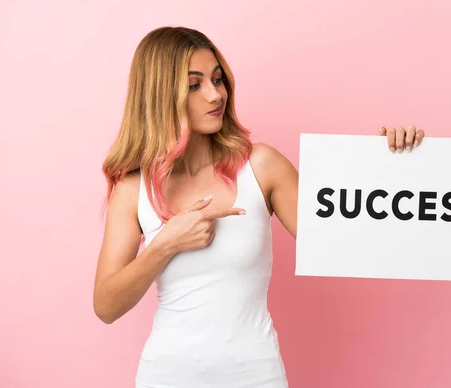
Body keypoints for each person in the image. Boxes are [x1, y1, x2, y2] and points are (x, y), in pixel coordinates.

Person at [93, 26, 425, 388]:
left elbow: (343, 241)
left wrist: (386, 168)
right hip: (165, 376)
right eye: (194, 85)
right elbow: (106, 306)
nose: (214, 94)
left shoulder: (261, 166)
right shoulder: (133, 189)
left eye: (218, 80)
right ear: (161, 95)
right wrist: (166, 243)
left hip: (256, 375)